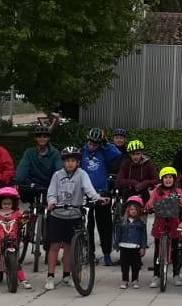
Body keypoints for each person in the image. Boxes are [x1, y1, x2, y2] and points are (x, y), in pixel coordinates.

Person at [45, 146, 101, 289]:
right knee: (54, 246)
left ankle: (66, 275)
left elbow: (88, 188)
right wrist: (51, 202)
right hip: (58, 215)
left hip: (74, 215)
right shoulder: (57, 175)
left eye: (73, 160)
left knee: (69, 247)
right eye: (67, 161)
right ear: (63, 162)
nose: (70, 163)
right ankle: (50, 276)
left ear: (78, 162)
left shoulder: (82, 174)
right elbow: (51, 192)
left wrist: (97, 198)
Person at [79, 129, 118, 266]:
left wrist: (106, 144)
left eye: (96, 144)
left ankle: (107, 254)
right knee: (87, 225)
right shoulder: (82, 151)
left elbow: (116, 154)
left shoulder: (103, 151)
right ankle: (90, 253)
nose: (92, 146)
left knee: (105, 225)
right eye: (90, 143)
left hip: (103, 192)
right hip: (86, 193)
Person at [15, 123, 63, 213]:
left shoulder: (55, 153)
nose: (42, 139)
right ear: (35, 138)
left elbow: (59, 170)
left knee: (51, 211)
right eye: (39, 136)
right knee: (29, 209)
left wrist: (60, 182)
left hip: (49, 185)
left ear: (49, 138)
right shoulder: (29, 153)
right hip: (32, 185)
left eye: (45, 136)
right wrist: (17, 180)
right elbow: (23, 167)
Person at [148, 167, 182, 278]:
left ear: (174, 179)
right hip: (159, 223)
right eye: (165, 178)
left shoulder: (178, 191)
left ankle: (176, 274)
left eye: (170, 177)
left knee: (175, 248)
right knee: (157, 249)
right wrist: (150, 205)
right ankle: (156, 275)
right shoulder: (157, 191)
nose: (168, 180)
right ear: (162, 179)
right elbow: (150, 203)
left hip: (173, 223)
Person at [115, 196, 149, 288]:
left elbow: (143, 236)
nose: (133, 211)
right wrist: (116, 244)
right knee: (124, 265)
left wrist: (143, 247)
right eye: (132, 209)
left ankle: (135, 280)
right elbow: (118, 233)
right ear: (128, 210)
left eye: (136, 210)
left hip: (135, 247)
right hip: (124, 246)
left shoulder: (141, 223)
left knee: (136, 265)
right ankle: (124, 280)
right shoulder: (123, 222)